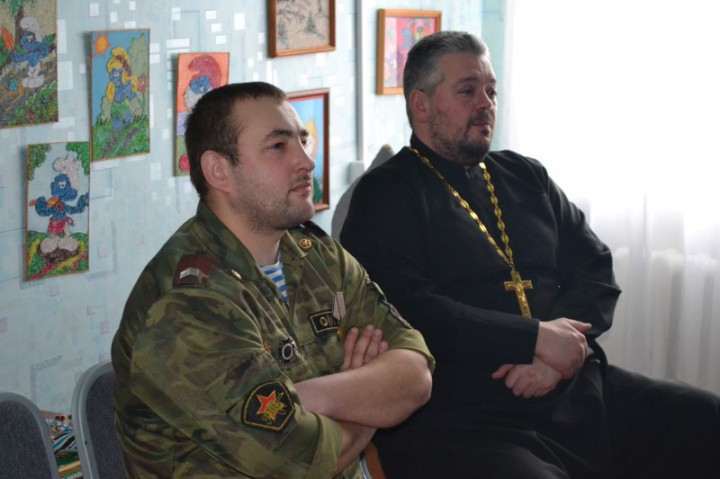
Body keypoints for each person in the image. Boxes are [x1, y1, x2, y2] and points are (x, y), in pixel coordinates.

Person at [340, 31, 720, 479]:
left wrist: (558, 356)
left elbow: (595, 268)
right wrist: (534, 339)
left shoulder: (524, 174)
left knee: (705, 418)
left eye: (491, 90)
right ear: (420, 105)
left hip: (572, 388)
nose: (486, 103)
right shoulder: (385, 195)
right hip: (465, 415)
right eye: (467, 91)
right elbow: (409, 310)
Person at [111, 81, 434, 478]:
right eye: (278, 146)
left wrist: (308, 396)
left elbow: (416, 375)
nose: (307, 161)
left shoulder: (316, 254)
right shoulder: (188, 306)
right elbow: (301, 463)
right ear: (218, 170)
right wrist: (369, 404)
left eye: (303, 140)